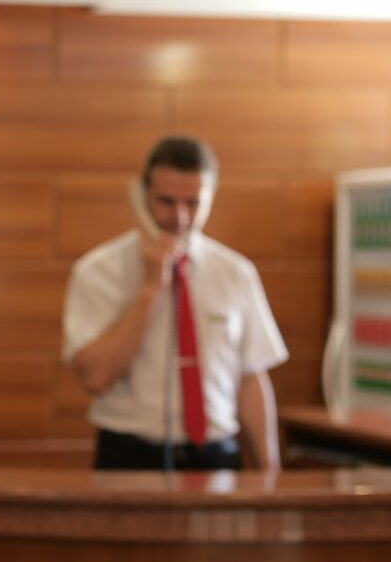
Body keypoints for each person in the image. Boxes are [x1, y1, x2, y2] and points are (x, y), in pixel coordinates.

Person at [62, 135, 288, 471]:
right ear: (141, 197)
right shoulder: (97, 272)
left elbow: (251, 379)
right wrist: (151, 287)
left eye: (193, 203)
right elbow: (96, 377)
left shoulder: (236, 273)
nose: (180, 217)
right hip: (130, 454)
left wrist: (271, 471)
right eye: (166, 202)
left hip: (216, 455)